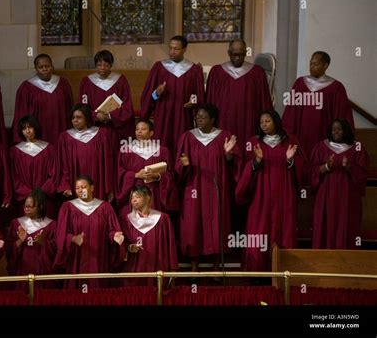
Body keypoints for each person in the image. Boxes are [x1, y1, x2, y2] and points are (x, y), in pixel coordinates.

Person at [175, 103, 241, 273]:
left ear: (212, 119)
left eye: (203, 117)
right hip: (193, 187)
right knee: (192, 224)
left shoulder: (224, 136)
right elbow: (178, 166)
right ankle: (194, 267)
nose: (199, 119)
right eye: (197, 117)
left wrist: (228, 155)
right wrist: (184, 165)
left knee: (218, 223)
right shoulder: (187, 137)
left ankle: (218, 266)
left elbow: (236, 166)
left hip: (217, 188)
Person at [235, 110, 304, 271]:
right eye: (261, 122)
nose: (264, 125)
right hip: (260, 196)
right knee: (259, 229)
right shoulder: (254, 143)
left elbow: (302, 170)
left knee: (284, 231)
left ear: (276, 122)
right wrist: (256, 161)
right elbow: (244, 173)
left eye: (267, 121)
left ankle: (284, 271)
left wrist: (290, 161)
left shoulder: (289, 141)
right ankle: (257, 272)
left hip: (284, 195)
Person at [54, 175, 125, 289]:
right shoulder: (67, 207)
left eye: (83, 187)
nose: (80, 190)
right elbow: (61, 234)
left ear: (92, 188)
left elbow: (111, 230)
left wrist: (114, 236)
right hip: (76, 257)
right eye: (77, 188)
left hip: (98, 257)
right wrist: (72, 238)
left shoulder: (105, 207)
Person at [282, 51, 354, 158]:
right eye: (311, 63)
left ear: (325, 65)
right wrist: (287, 134)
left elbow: (341, 115)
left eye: (316, 64)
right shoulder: (300, 83)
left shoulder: (336, 87)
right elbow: (291, 112)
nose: (311, 67)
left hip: (324, 135)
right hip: (302, 135)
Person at [310, 119, 369, 249]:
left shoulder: (357, 148)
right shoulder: (321, 147)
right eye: (333, 129)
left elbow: (363, 175)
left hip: (348, 196)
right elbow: (311, 171)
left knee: (347, 225)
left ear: (346, 131)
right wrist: (326, 166)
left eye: (339, 129)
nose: (336, 131)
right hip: (326, 194)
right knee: (326, 225)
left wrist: (350, 167)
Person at [141, 35, 204, 154]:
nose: (172, 52)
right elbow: (149, 96)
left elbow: (198, 96)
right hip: (163, 116)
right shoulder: (159, 68)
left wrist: (193, 103)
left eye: (176, 49)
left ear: (184, 49)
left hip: (183, 116)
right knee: (162, 146)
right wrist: (156, 93)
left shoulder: (193, 70)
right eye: (170, 48)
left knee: (182, 148)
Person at [206, 39, 272, 152]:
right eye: (234, 55)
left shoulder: (257, 73)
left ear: (246, 53)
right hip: (223, 121)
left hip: (249, 122)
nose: (238, 58)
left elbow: (264, 101)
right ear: (229, 53)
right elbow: (209, 102)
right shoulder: (217, 72)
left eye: (241, 55)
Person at [116, 119, 178, 216]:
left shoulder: (162, 151)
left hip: (155, 194)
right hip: (134, 193)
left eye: (143, 129)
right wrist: (135, 175)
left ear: (151, 133)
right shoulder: (126, 151)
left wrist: (158, 176)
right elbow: (120, 173)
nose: (139, 131)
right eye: (137, 129)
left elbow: (171, 174)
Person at [120, 186, 177, 287]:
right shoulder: (127, 220)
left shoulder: (163, 219)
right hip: (135, 268)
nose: (133, 200)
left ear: (147, 198)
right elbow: (123, 243)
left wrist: (173, 270)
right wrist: (130, 247)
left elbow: (171, 246)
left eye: (137, 197)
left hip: (158, 266)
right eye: (132, 198)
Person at [57, 104, 116, 202]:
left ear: (87, 119)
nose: (75, 120)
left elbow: (108, 163)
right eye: (73, 118)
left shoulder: (102, 135)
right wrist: (65, 184)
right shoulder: (65, 137)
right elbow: (63, 164)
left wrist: (109, 187)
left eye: (79, 117)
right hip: (75, 179)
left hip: (97, 180)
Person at [12, 54, 73, 145]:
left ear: (52, 66)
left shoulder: (63, 84)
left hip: (60, 130)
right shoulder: (26, 88)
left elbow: (70, 108)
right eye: (41, 67)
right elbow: (21, 114)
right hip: (38, 133)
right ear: (36, 69)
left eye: (47, 66)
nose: (44, 69)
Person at [79, 50, 135, 141]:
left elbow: (127, 106)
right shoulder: (86, 82)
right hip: (95, 129)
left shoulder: (121, 81)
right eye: (99, 65)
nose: (102, 68)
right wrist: (95, 115)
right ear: (95, 65)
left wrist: (110, 116)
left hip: (115, 129)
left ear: (111, 65)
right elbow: (82, 106)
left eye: (106, 65)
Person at [6, 189, 57, 289]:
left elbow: (57, 249)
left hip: (43, 272)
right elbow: (8, 250)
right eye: (25, 206)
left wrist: (44, 242)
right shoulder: (16, 223)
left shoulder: (52, 225)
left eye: (30, 206)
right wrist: (20, 240)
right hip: (21, 270)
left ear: (40, 207)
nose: (26, 208)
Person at [9, 115, 57, 218]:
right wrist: (29, 194)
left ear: (36, 128)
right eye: (24, 128)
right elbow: (14, 178)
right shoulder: (15, 152)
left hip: (45, 199)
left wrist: (41, 193)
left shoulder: (50, 149)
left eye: (30, 127)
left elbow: (54, 174)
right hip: (25, 200)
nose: (27, 131)